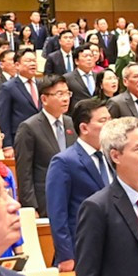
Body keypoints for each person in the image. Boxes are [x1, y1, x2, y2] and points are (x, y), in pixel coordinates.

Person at [44, 95, 112, 267]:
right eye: (103, 120)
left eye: (110, 119)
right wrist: (66, 255)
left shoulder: (112, 156)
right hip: (81, 248)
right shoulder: (64, 161)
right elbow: (57, 214)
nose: (110, 125)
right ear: (84, 127)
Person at [12, 75, 77, 212]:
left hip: (73, 198)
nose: (66, 99)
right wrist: (31, 207)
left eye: (67, 93)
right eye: (60, 94)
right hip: (45, 201)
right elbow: (24, 172)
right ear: (44, 99)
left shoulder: (71, 123)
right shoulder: (29, 127)